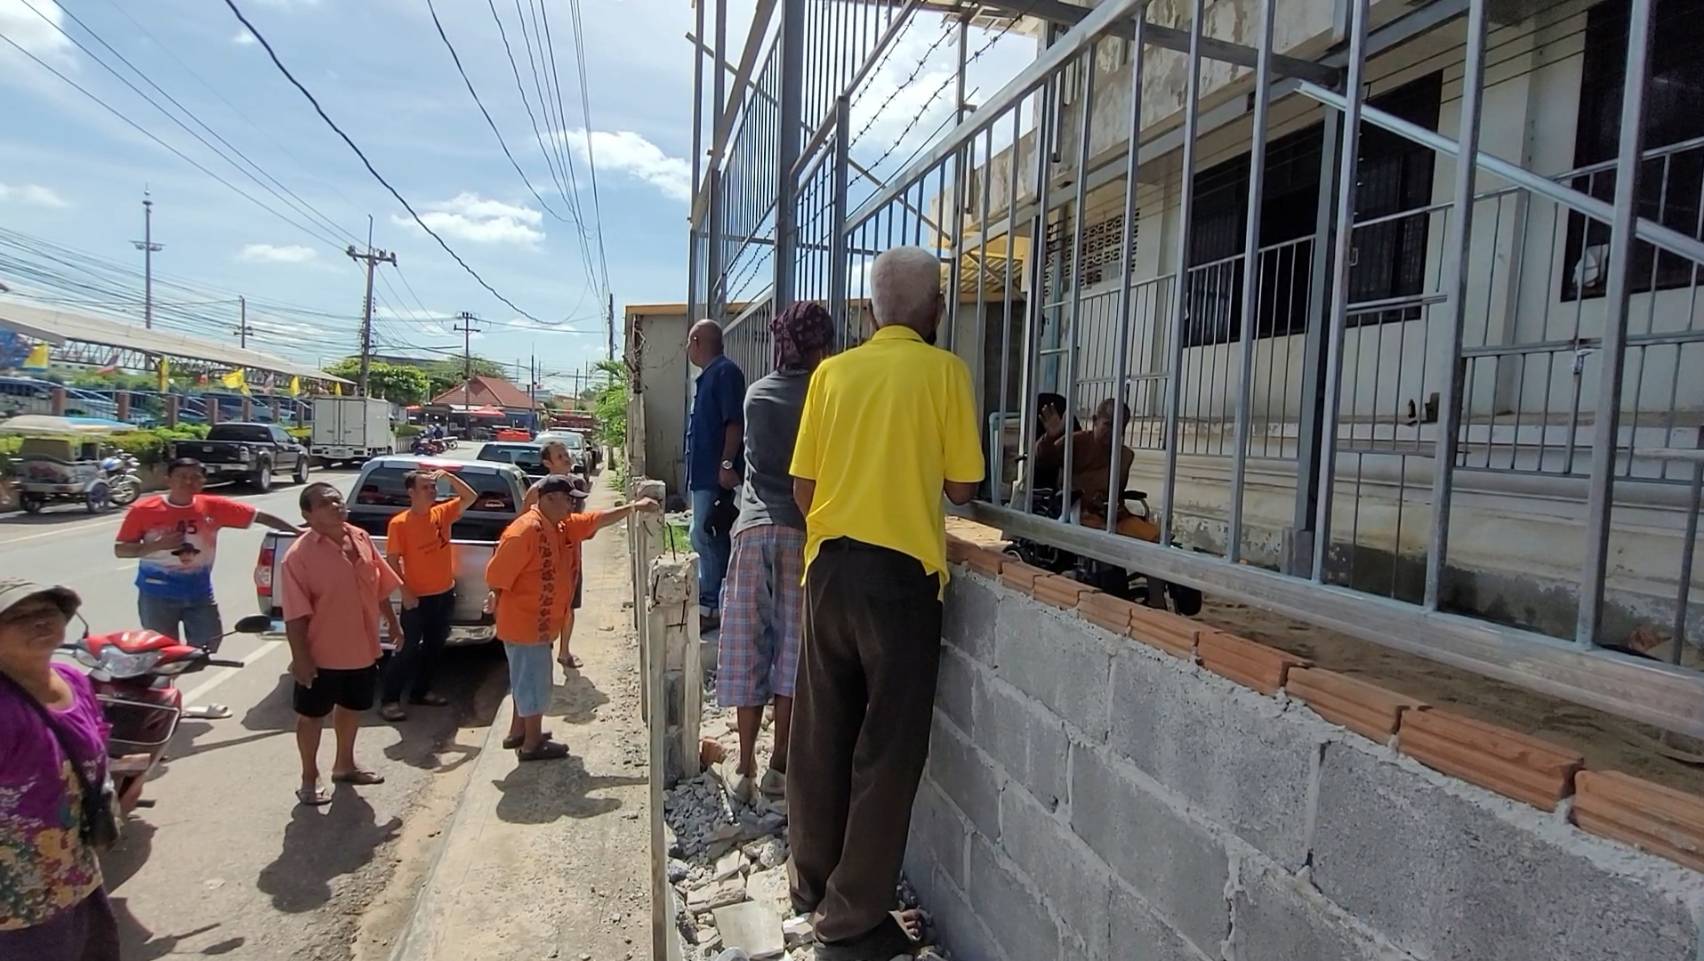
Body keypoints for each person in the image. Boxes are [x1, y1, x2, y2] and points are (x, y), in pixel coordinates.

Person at [787, 246, 984, 959]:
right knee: (887, 751)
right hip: (900, 582)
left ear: (871, 310)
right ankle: (849, 921)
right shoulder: (945, 372)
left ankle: (811, 884)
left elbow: (803, 489)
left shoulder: (833, 374)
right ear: (936, 309)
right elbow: (963, 487)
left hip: (827, 571)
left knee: (820, 734)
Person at [717, 301, 834, 806]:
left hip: (751, 530)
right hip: (801, 532)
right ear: (821, 344)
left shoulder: (757, 394)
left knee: (747, 647)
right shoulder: (826, 394)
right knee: (792, 650)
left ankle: (743, 765)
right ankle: (779, 766)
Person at [485, 475, 658, 761]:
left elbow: (596, 519)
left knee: (525, 680)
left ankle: (519, 732)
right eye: (568, 500)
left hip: (539, 624)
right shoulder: (524, 532)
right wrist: (493, 594)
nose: (572, 505)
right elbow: (496, 574)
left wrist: (634, 507)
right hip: (525, 624)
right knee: (534, 684)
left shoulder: (560, 526)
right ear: (549, 499)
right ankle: (531, 745)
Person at [113, 456, 296, 717]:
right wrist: (156, 546)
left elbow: (260, 516)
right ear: (168, 479)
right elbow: (121, 550)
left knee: (207, 644)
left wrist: (298, 532)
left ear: (203, 481)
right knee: (162, 652)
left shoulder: (212, 506)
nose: (188, 482)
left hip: (199, 593)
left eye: (195, 477)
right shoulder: (145, 510)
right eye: (181, 476)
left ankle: (162, 694)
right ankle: (161, 703)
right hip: (156, 593)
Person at [0, 579, 119, 960]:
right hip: (17, 904)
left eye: (46, 612)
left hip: (78, 873)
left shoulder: (73, 680)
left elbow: (95, 745)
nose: (38, 622)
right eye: (17, 616)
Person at [280, 482, 405, 806]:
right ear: (308, 515)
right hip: (322, 653)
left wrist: (393, 623)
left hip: (362, 648)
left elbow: (378, 585)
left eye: (337, 500)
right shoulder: (299, 556)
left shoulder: (360, 537)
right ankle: (309, 777)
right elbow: (295, 614)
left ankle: (345, 765)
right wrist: (301, 658)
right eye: (325, 504)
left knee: (351, 708)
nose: (336, 506)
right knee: (312, 716)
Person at [379, 468, 479, 722]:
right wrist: (405, 592)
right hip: (417, 598)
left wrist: (449, 477)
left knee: (434, 647)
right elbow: (392, 561)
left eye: (433, 486)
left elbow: (470, 497)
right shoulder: (400, 523)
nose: (431, 491)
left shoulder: (442, 513)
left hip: (444, 593)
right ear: (411, 492)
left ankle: (420, 692)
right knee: (406, 649)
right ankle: (390, 700)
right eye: (425, 487)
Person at [685, 318, 746, 634]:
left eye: (688, 342)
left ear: (696, 341)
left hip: (714, 475)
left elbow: (734, 422)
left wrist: (726, 464)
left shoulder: (724, 373)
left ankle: (712, 605)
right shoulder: (710, 375)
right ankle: (713, 598)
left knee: (707, 535)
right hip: (704, 474)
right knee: (705, 533)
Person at [1036, 396, 1156, 539]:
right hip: (1077, 514)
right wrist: (1050, 437)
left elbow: (1117, 494)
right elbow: (1042, 459)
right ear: (1095, 421)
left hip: (1110, 516)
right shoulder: (1076, 442)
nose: (1113, 432)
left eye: (1119, 427)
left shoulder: (1125, 456)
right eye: (1108, 425)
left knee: (1153, 536)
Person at [522, 441, 590, 671]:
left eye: (566, 454)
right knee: (545, 603)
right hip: (545, 557)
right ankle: (544, 646)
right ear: (547, 463)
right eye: (560, 456)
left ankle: (564, 651)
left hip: (571, 556)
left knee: (569, 605)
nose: (567, 458)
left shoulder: (578, 485)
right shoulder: (538, 491)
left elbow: (579, 520)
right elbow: (523, 522)